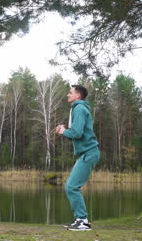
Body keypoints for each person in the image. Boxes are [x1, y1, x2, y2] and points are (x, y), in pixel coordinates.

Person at [55, 85, 100, 231]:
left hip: (89, 153)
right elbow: (76, 134)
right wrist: (65, 131)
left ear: (78, 95)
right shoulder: (77, 108)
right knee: (72, 186)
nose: (67, 95)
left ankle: (83, 222)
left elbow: (77, 133)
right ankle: (80, 220)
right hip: (86, 153)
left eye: (70, 93)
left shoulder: (79, 109)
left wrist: (64, 131)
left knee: (72, 186)